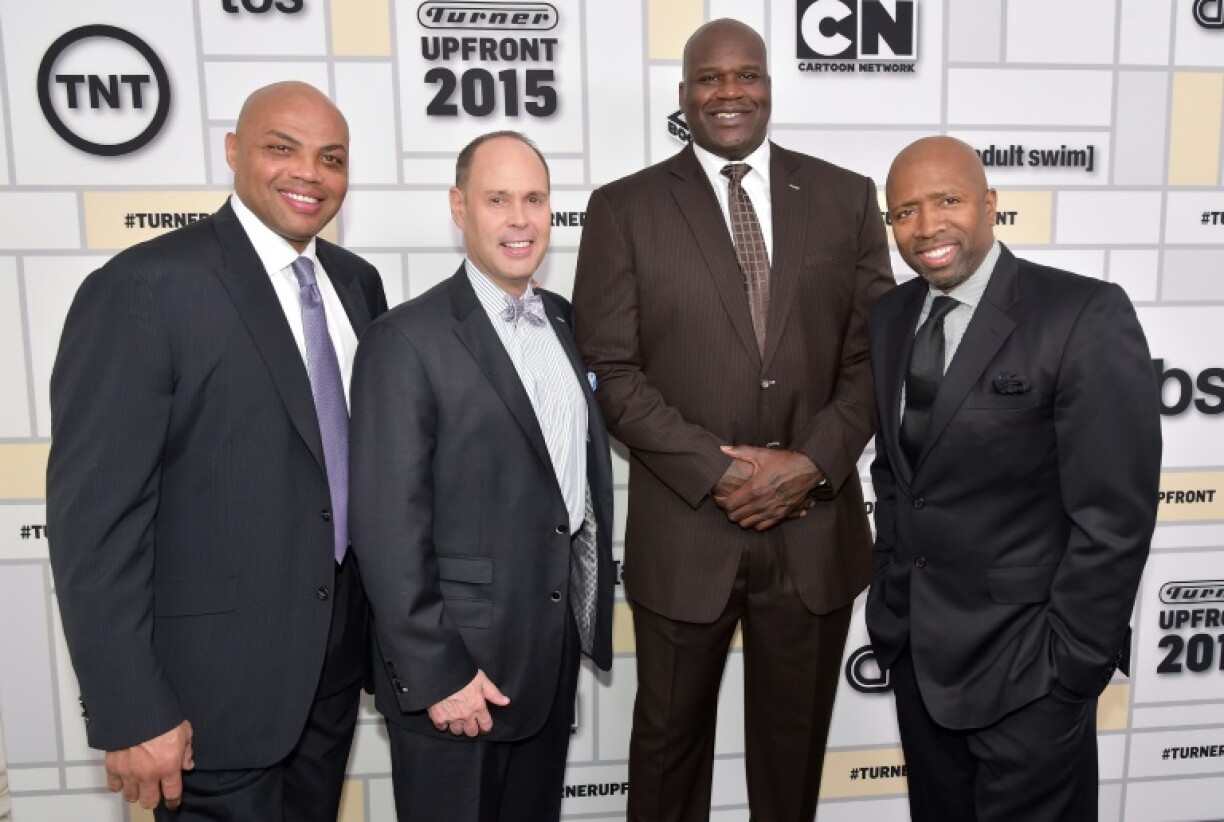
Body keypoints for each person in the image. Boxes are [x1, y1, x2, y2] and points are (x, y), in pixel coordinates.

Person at [572, 18, 894, 820]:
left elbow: (875, 358)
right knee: (668, 754)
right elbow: (609, 370)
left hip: (813, 529)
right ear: (684, 97)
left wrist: (811, 464)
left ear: (769, 88)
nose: (729, 92)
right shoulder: (623, 208)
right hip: (687, 531)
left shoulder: (847, 197)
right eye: (710, 79)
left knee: (792, 762)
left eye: (746, 74)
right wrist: (721, 471)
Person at [46, 81, 387, 820]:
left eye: (332, 158)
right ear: (233, 153)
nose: (310, 173)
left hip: (329, 680)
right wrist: (130, 706)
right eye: (281, 148)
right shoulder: (143, 287)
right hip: (206, 702)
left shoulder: (359, 285)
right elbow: (94, 524)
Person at [867, 135, 1161, 820]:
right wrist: (892, 611)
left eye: (948, 201)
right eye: (905, 211)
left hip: (1031, 668)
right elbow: (897, 475)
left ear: (990, 205)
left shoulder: (1082, 313)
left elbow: (1115, 514)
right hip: (918, 658)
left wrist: (1074, 663)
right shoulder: (890, 317)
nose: (927, 226)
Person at [349, 131, 615, 822]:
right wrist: (440, 673)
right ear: (459, 207)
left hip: (545, 660)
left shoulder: (562, 320)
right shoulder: (405, 339)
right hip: (458, 672)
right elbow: (385, 527)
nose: (519, 218)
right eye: (497, 199)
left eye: (534, 199)